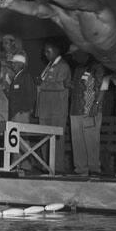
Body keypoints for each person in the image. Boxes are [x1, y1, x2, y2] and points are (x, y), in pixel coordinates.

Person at [69, 54, 109, 176]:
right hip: (76, 110)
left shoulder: (99, 66)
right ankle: (80, 169)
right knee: (77, 142)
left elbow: (104, 86)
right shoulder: (77, 69)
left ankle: (94, 169)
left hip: (90, 110)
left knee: (91, 141)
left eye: (76, 53)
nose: (73, 56)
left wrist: (96, 104)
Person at [35, 41, 71, 173]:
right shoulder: (49, 66)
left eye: (48, 51)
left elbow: (61, 85)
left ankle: (57, 168)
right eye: (45, 51)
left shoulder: (63, 66)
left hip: (57, 109)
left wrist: (42, 84)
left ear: (57, 52)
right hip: (44, 109)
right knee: (44, 139)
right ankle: (46, 166)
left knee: (57, 140)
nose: (45, 54)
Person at [0, 34, 28, 122]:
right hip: (1, 86)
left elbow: (22, 68)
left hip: (14, 85)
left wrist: (7, 63)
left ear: (13, 43)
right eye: (3, 43)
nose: (4, 45)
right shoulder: (1, 55)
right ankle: (4, 131)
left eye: (6, 43)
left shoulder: (20, 53)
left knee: (16, 110)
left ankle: (17, 132)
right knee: (2, 110)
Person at [7, 54, 36, 123]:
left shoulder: (26, 76)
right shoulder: (16, 77)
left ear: (21, 64)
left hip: (21, 112)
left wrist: (26, 110)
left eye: (15, 63)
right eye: (12, 63)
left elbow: (30, 93)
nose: (12, 65)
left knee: (22, 132)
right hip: (14, 112)